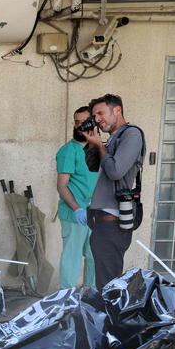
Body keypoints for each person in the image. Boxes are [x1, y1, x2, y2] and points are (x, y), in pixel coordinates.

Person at [82, 93, 146, 286]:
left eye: (101, 113)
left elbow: (115, 171)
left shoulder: (132, 134)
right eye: (95, 116)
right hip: (103, 224)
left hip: (113, 225)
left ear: (117, 110)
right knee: (104, 284)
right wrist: (92, 143)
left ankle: (111, 316)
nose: (98, 119)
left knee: (108, 287)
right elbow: (93, 166)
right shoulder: (112, 139)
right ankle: (107, 314)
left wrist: (101, 148)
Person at [55, 106, 99, 288]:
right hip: (75, 215)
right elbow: (62, 185)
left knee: (94, 258)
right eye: (76, 122)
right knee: (72, 260)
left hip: (95, 214)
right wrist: (77, 208)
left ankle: (92, 301)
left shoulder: (96, 150)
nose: (79, 126)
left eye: (84, 122)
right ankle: (66, 304)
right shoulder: (68, 151)